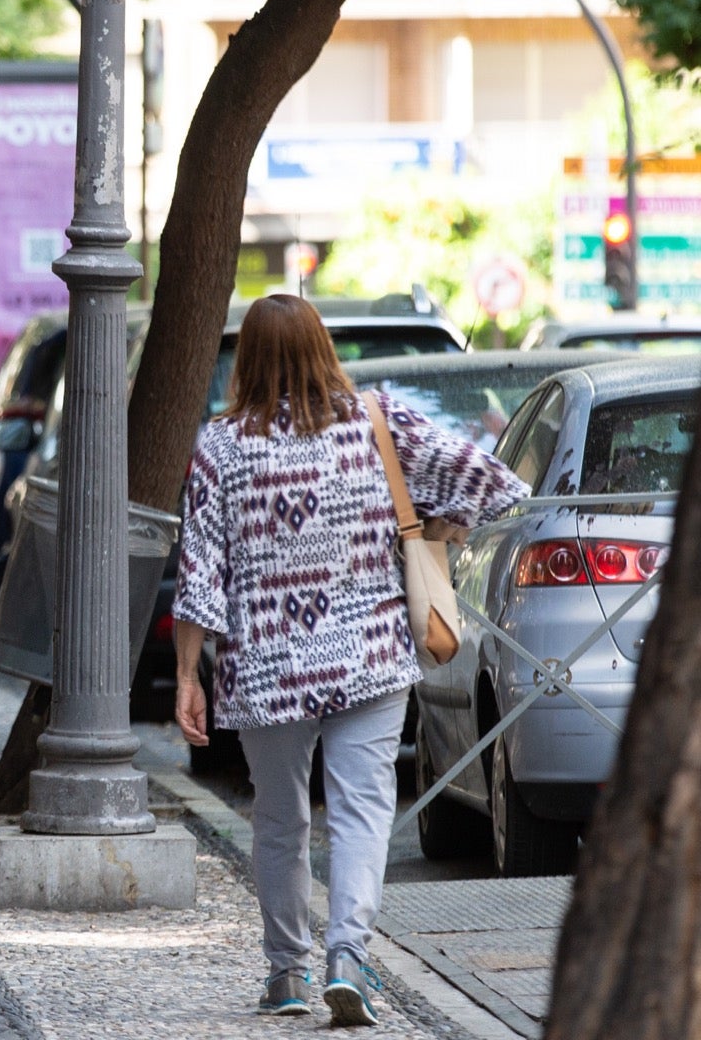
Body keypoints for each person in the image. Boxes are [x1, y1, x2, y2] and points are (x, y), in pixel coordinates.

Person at [171, 294, 527, 1027]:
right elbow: (496, 484)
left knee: (279, 819)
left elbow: (199, 571)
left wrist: (185, 673)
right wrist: (440, 526)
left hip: (265, 669)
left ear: (248, 362)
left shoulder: (220, 446)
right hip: (367, 657)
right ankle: (348, 957)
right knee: (364, 812)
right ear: (322, 348)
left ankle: (287, 974)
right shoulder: (377, 422)